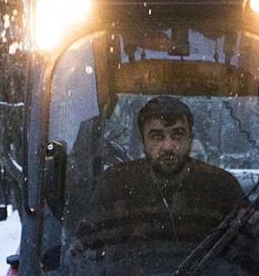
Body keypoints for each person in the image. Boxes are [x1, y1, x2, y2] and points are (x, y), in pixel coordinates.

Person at [74, 96, 246, 251]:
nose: (168, 146)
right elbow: (84, 249)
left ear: (190, 138)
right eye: (157, 136)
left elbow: (250, 252)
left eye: (177, 135)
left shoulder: (221, 185)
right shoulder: (114, 183)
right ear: (142, 141)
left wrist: (252, 228)